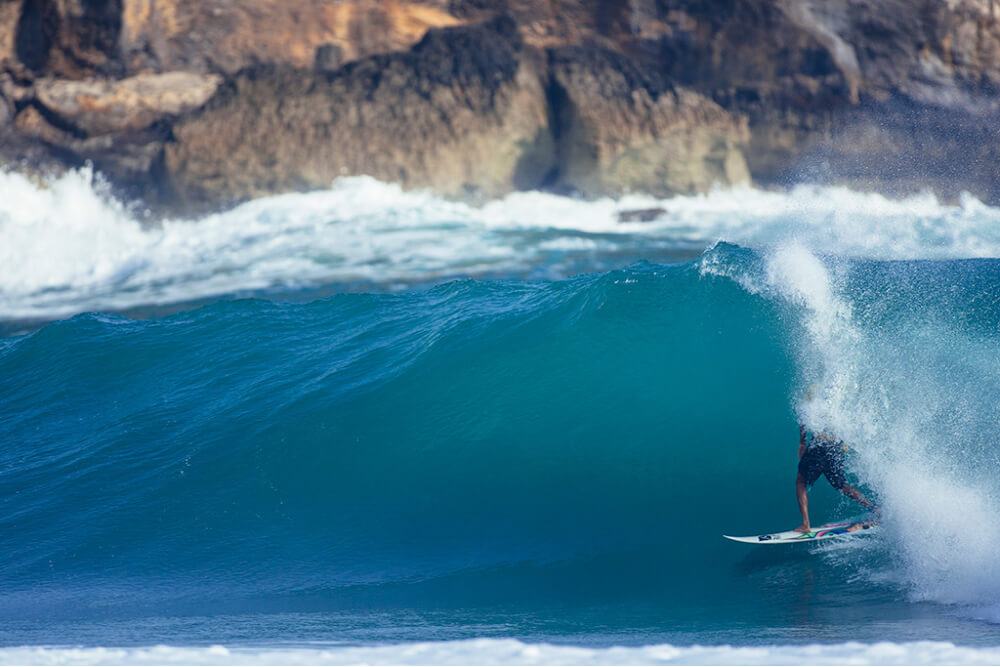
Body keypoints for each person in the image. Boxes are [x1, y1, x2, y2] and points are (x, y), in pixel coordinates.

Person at [795, 425, 876, 533]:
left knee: (801, 482)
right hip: (836, 447)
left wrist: (802, 442)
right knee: (842, 486)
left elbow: (804, 421)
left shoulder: (817, 407)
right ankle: (875, 510)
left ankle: (806, 524)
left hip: (819, 446)